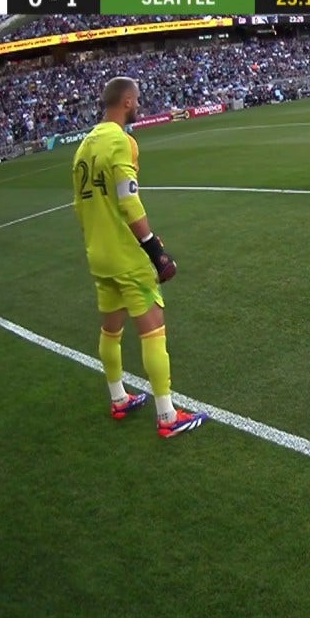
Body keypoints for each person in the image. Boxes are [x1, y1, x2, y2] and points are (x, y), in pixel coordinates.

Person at [72, 76, 205, 438]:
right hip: (127, 257)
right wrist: (155, 249)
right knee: (153, 330)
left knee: (110, 330)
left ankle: (118, 398)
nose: (140, 104)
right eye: (138, 100)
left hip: (98, 255)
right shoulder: (122, 141)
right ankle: (167, 416)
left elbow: (79, 206)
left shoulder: (84, 145)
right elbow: (128, 199)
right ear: (128, 102)